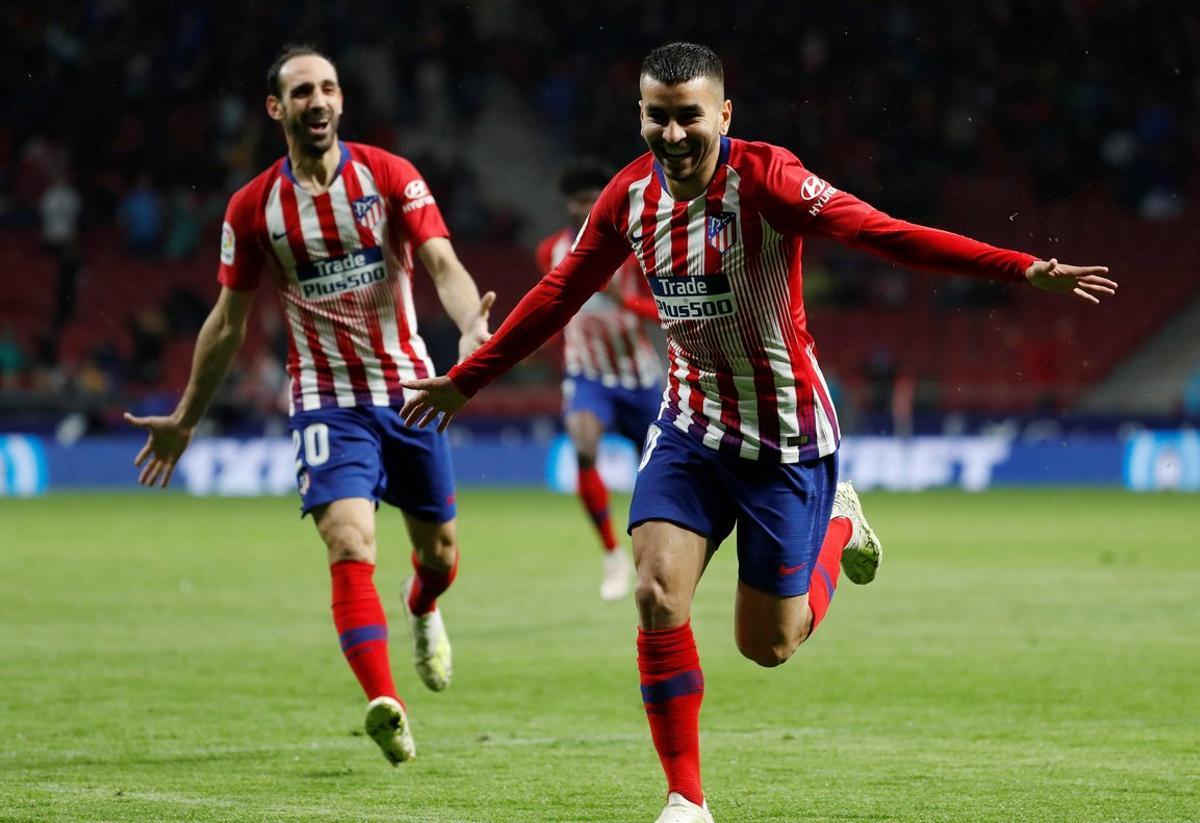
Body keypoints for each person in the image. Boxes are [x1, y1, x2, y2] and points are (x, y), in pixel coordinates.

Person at [400, 42, 1116, 823]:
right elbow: (562, 291)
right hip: (691, 430)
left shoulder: (770, 181)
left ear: (724, 116)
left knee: (768, 645)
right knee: (654, 592)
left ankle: (840, 523)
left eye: (689, 118)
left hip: (787, 443)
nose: (672, 136)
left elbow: (884, 233)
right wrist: (468, 377)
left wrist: (1019, 268)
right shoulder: (628, 196)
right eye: (657, 117)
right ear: (640, 115)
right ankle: (686, 799)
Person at [124, 45, 496, 767]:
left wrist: (472, 328)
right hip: (327, 403)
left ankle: (421, 604)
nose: (317, 101)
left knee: (441, 555)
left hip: (411, 392)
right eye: (301, 92)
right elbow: (228, 323)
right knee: (349, 541)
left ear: (342, 101)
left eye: (327, 88)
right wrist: (186, 418)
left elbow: (444, 264)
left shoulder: (389, 176)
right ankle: (386, 701)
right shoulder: (254, 207)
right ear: (277, 109)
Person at [535, 160, 663, 600]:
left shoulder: (635, 247)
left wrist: (624, 300)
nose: (586, 205)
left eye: (593, 197)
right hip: (587, 376)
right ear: (569, 205)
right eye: (579, 199)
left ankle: (657, 554)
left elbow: (666, 312)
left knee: (659, 470)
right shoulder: (551, 251)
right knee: (584, 449)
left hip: (640, 379)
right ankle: (611, 555)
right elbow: (552, 308)